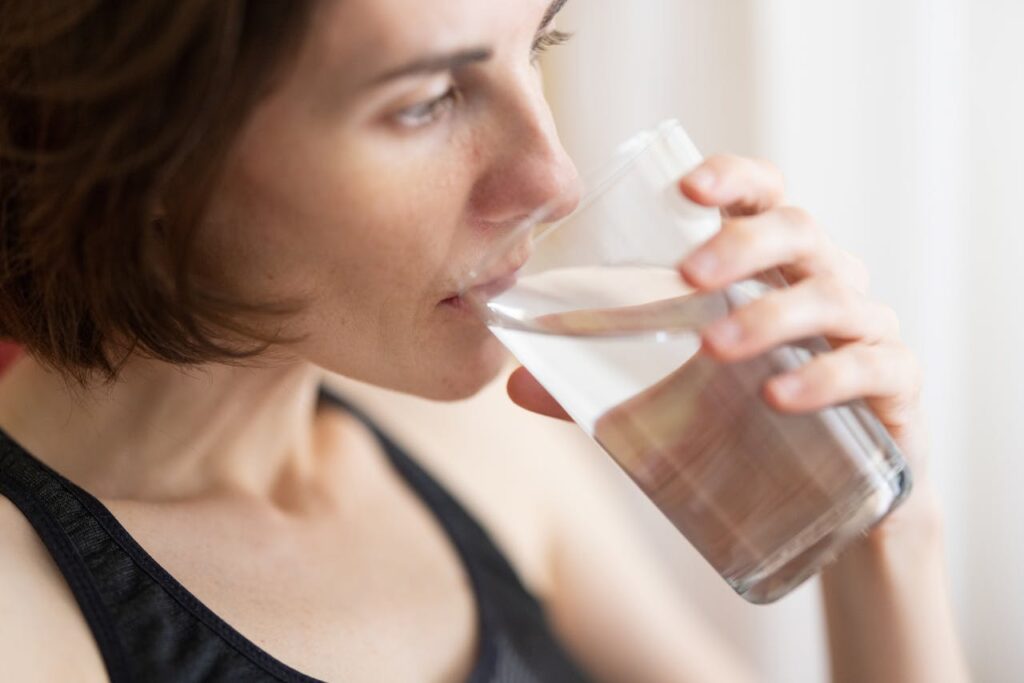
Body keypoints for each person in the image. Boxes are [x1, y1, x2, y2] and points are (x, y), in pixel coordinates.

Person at [0, 1, 970, 681]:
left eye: (538, 41)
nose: (552, 176)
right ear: (141, 150)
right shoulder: (27, 614)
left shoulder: (475, 443)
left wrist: (884, 531)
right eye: (425, 100)